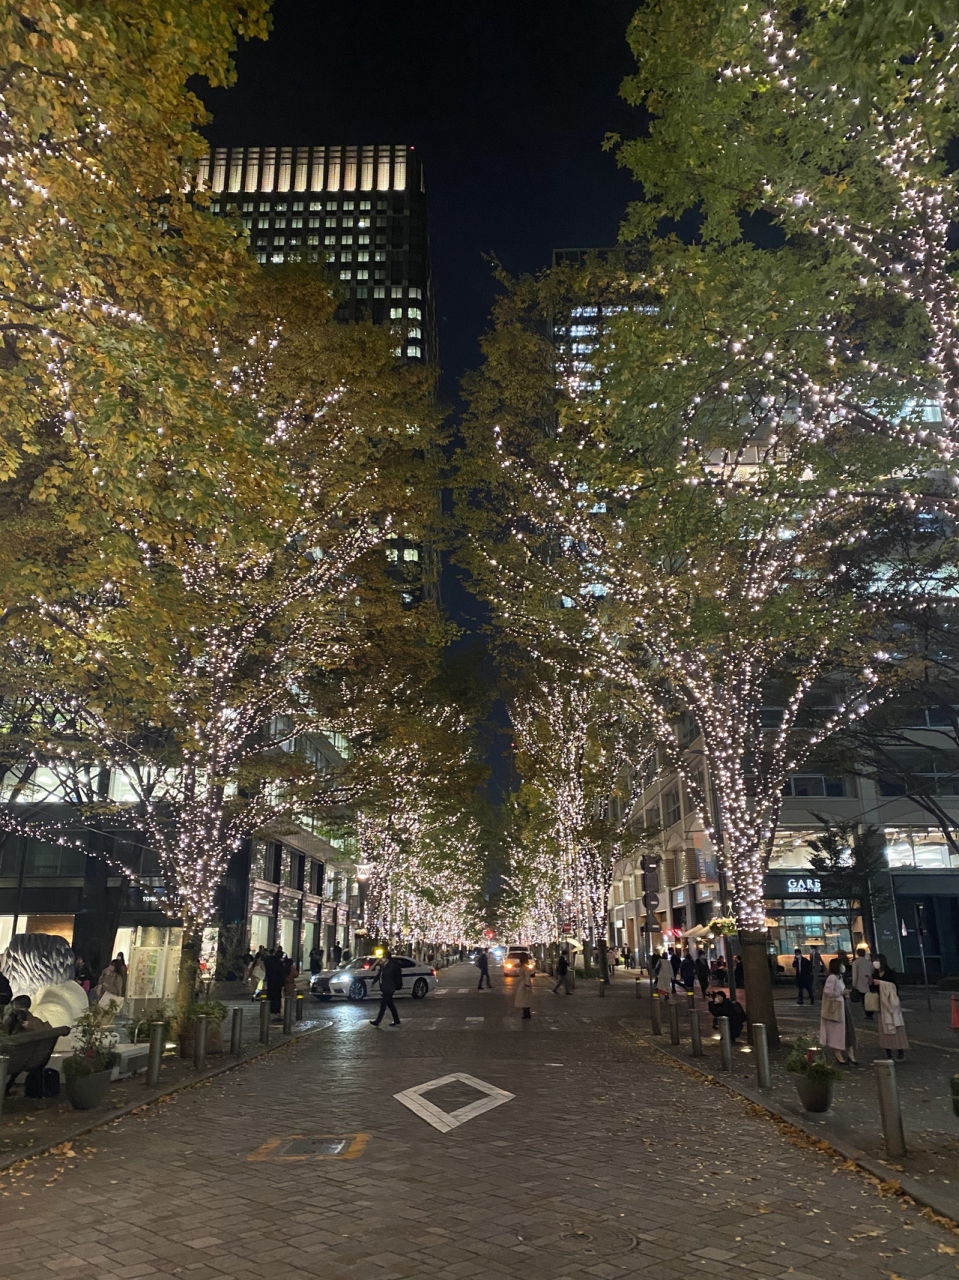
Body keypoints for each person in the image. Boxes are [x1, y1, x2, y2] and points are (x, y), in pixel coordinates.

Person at [820, 957, 857, 1065]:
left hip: (843, 1006)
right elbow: (828, 992)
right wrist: (840, 993)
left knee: (849, 1030)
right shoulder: (832, 977)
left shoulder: (839, 977)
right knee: (839, 1031)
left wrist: (845, 993)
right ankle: (839, 1054)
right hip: (837, 1008)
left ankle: (850, 1053)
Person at [871, 955, 908, 1060]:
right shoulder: (874, 974)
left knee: (896, 1025)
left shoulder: (889, 973)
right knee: (884, 1027)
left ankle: (900, 1051)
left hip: (891, 1004)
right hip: (881, 1004)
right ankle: (888, 1052)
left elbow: (894, 987)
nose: (875, 963)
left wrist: (881, 983)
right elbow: (873, 988)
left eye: (877, 961)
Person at [370, 950, 403, 1027]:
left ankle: (377, 1021)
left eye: (383, 957)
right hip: (385, 987)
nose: (381, 958)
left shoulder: (391, 965)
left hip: (389, 988)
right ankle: (396, 1019)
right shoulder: (384, 965)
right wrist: (374, 981)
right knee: (390, 1004)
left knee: (383, 1005)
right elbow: (380, 974)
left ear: (386, 958)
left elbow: (390, 975)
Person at [851, 946, 874, 1018]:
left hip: (859, 982)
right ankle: (870, 1012)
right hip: (868, 982)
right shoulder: (869, 963)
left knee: (863, 999)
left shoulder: (855, 963)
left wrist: (854, 984)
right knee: (869, 998)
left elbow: (855, 974)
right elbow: (872, 971)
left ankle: (867, 1013)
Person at [263, 948, 285, 1018]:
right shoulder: (280, 963)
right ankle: (276, 1011)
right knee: (277, 997)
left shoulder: (268, 961)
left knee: (270, 996)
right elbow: (282, 974)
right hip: (278, 983)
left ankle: (269, 1010)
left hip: (270, 981)